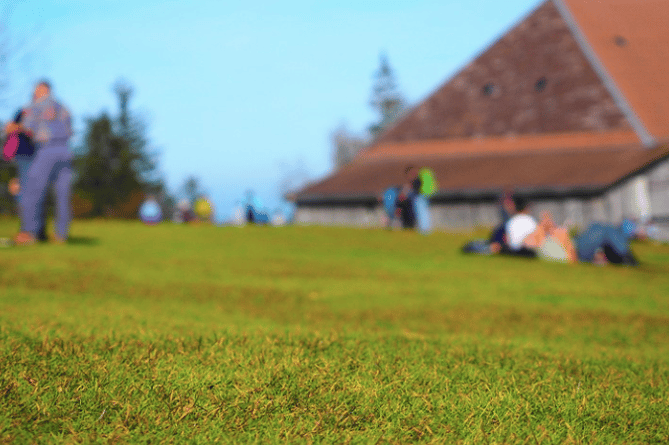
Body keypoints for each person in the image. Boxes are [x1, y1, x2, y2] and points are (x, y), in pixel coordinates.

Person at [6, 80, 73, 245]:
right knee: (62, 195)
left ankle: (29, 233)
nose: (33, 92)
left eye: (36, 89)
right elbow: (69, 128)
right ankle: (61, 235)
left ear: (43, 90)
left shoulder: (35, 106)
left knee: (31, 191)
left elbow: (27, 128)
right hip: (65, 151)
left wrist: (13, 127)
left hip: (45, 149)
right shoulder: (62, 107)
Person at [7, 105, 48, 241]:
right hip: (20, 158)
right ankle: (32, 232)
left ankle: (31, 233)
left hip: (34, 157)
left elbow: (38, 133)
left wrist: (20, 128)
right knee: (21, 194)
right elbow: (11, 130)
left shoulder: (43, 113)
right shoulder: (23, 111)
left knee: (31, 196)